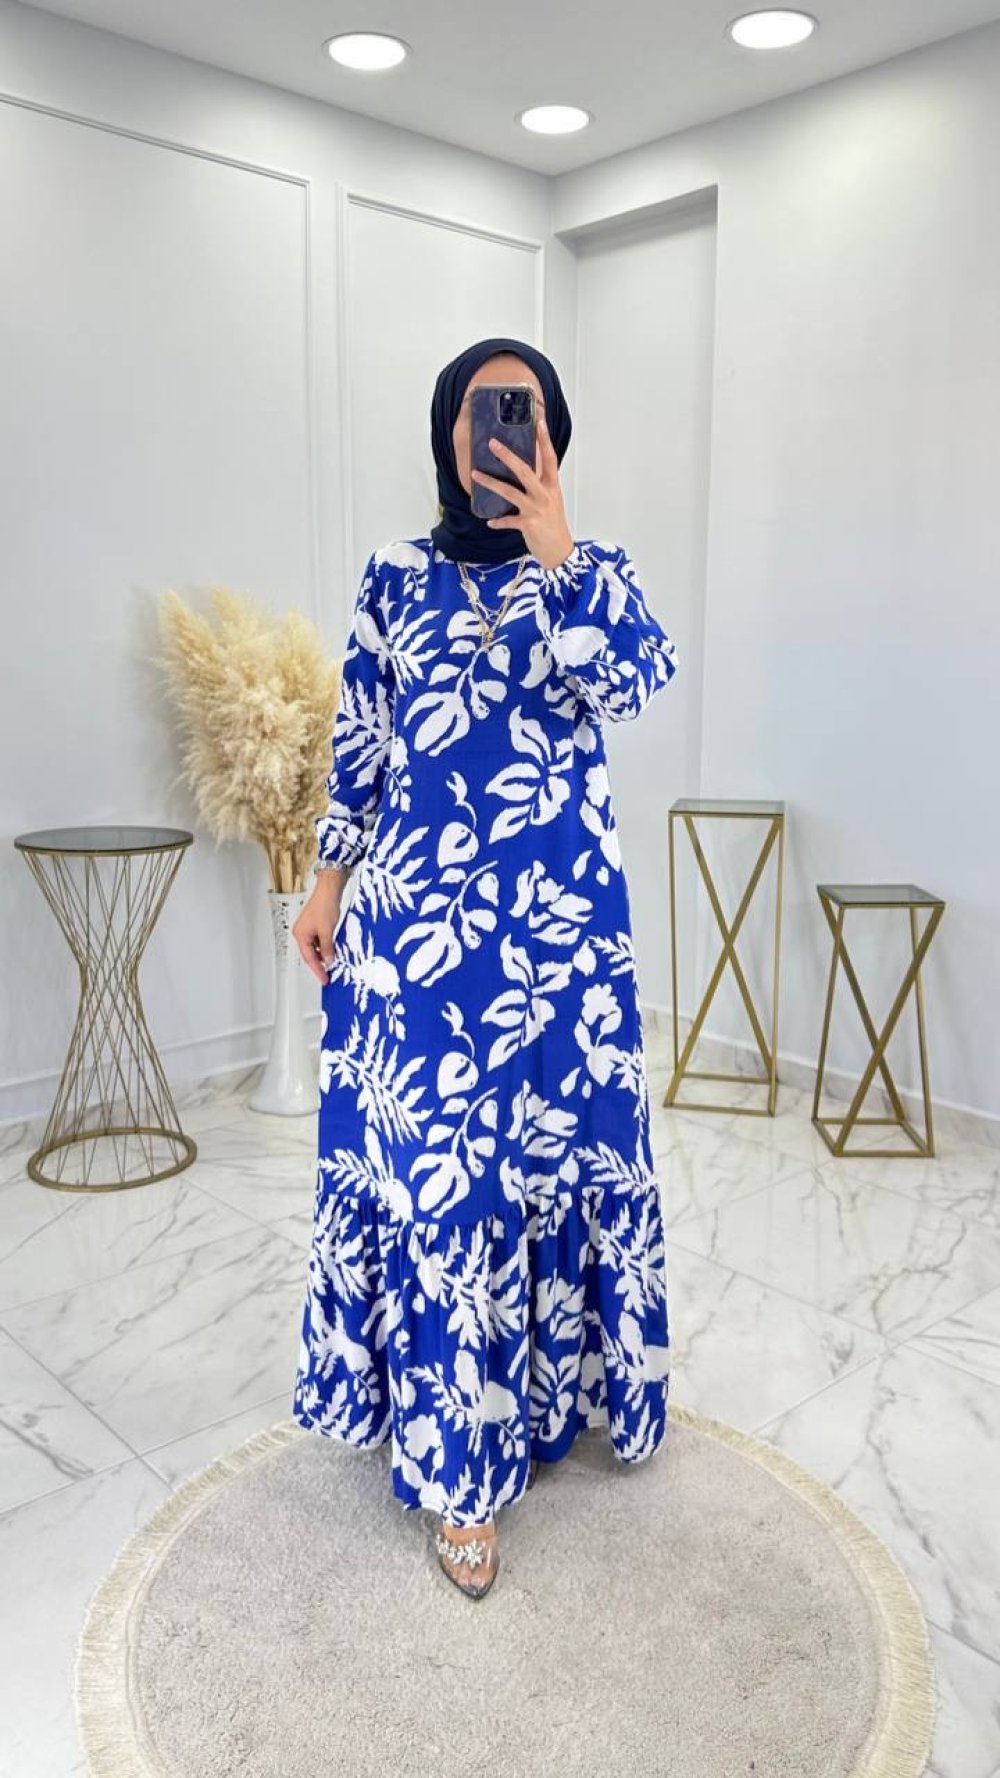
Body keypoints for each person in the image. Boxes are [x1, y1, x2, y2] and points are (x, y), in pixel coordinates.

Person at [291, 336, 679, 1600]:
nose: (498, 432)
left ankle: (556, 1396)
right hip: (423, 937)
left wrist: (559, 555)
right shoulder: (393, 578)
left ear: (551, 434)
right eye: (478, 410)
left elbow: (635, 683)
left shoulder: (593, 570)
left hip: (565, 939)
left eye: (521, 412)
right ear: (445, 434)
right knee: (446, 1175)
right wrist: (327, 878)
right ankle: (459, 1471)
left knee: (558, 1158)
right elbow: (362, 742)